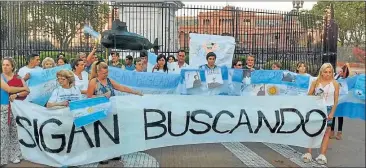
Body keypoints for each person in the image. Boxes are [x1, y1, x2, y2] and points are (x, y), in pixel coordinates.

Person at [86, 61, 143, 164]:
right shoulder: (93, 82)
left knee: (113, 131)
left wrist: (135, 92)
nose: (106, 75)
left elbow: (121, 87)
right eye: (104, 73)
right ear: (98, 72)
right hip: (99, 111)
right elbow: (89, 97)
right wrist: (102, 96)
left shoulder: (108, 80)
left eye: (107, 73)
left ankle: (112, 153)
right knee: (101, 134)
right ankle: (101, 156)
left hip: (111, 110)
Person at [302, 63, 340, 165]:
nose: (328, 74)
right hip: (316, 108)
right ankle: (308, 153)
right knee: (311, 130)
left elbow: (336, 100)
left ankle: (322, 155)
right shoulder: (316, 81)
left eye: (330, 72)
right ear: (321, 72)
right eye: (325, 72)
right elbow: (309, 95)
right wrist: (315, 96)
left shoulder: (335, 83)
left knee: (327, 132)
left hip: (328, 108)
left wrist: (332, 112)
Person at [0, 58, 29, 166]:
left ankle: (14, 155)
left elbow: (27, 91)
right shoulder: (0, 77)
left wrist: (17, 94)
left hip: (16, 108)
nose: (5, 67)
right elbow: (8, 89)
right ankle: (2, 158)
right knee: (3, 134)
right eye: (3, 65)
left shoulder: (18, 77)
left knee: (15, 132)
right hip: (3, 108)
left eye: (7, 65)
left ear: (12, 66)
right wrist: (21, 88)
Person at [331, 63, 350, 140]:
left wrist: (347, 67)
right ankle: (332, 131)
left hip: (342, 100)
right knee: (333, 115)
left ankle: (339, 132)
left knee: (340, 115)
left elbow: (348, 74)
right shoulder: (336, 76)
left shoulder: (346, 79)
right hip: (334, 98)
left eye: (343, 71)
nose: (340, 72)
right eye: (340, 70)